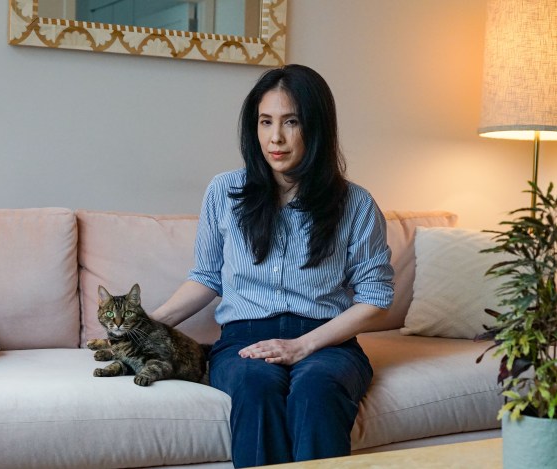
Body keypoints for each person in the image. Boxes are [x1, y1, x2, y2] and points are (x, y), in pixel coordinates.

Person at [151, 64, 394, 468]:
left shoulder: (356, 204)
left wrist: (304, 345)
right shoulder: (224, 191)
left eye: (291, 122)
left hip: (326, 341)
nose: (275, 137)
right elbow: (208, 276)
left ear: (316, 128)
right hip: (243, 339)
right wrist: (149, 324)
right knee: (254, 384)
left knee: (316, 388)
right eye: (265, 122)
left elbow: (376, 297)